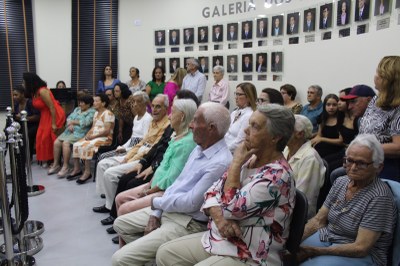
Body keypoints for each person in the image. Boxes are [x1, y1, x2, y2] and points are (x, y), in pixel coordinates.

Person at [156, 104, 296, 266]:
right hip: (222, 239)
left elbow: (232, 209)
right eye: (249, 124)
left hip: (251, 254)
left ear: (275, 137)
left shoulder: (277, 176)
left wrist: (235, 163)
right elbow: (210, 192)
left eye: (255, 126)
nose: (246, 130)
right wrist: (219, 217)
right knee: (165, 254)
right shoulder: (250, 160)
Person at [111, 102, 232, 266]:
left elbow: (191, 203)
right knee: (120, 224)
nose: (191, 125)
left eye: (196, 121)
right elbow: (176, 185)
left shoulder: (220, 163)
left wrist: (156, 202)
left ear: (211, 128)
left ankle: (153, 253)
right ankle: (152, 256)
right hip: (170, 209)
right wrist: (156, 213)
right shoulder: (199, 148)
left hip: (187, 222)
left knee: (119, 259)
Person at [298, 134, 396, 266]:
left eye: (361, 163)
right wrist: (293, 241)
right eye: (349, 160)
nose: (353, 167)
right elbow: (318, 220)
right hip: (328, 237)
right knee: (286, 253)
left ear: (379, 167)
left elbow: (361, 248)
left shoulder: (380, 197)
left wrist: (314, 251)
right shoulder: (340, 182)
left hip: (361, 254)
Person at [114, 99, 197, 237]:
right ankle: (128, 234)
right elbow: (163, 166)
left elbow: (171, 178)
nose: (169, 116)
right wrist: (150, 182)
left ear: (182, 116)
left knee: (124, 208)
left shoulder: (186, 143)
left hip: (164, 190)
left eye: (172, 112)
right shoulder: (176, 136)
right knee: (120, 198)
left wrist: (148, 191)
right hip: (156, 183)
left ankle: (132, 242)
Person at [93, 94, 170, 213]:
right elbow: (141, 143)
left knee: (110, 173)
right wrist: (128, 156)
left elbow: (153, 149)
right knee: (103, 163)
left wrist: (134, 158)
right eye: (153, 106)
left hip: (143, 159)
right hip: (135, 153)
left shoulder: (165, 125)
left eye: (158, 107)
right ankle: (110, 203)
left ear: (166, 108)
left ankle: (113, 207)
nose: (154, 109)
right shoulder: (153, 122)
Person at [358, 56, 400, 181]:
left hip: (386, 165)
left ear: (389, 79)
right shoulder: (376, 99)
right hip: (365, 159)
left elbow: (398, 147)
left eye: (379, 73)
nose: (375, 76)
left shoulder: (397, 108)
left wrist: (363, 149)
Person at [284, 115, 325, 218]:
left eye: (287, 129)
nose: (281, 132)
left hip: (295, 216)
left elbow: (302, 197)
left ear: (300, 134)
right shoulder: (286, 150)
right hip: (282, 205)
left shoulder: (310, 159)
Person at [23, 72, 66, 167]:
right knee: (41, 137)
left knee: (50, 136)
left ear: (30, 82)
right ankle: (50, 159)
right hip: (45, 114)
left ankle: (56, 162)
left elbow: (52, 107)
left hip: (54, 114)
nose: (23, 84)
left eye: (24, 82)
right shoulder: (34, 92)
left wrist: (54, 124)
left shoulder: (42, 91)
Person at [70, 93, 115, 184]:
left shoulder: (108, 113)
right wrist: (87, 135)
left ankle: (87, 172)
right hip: (95, 137)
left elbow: (106, 131)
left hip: (105, 139)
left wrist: (93, 137)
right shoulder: (96, 113)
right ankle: (77, 169)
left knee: (87, 146)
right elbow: (93, 127)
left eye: (96, 101)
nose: (93, 103)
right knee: (76, 144)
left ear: (103, 103)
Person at [47, 94, 95, 177]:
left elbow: (87, 122)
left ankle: (66, 166)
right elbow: (69, 118)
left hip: (81, 133)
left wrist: (74, 122)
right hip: (69, 131)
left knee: (66, 143)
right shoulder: (77, 109)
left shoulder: (92, 111)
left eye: (82, 103)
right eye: (79, 102)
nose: (80, 104)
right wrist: (70, 124)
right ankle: (56, 164)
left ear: (88, 104)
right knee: (57, 142)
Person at [311, 94, 344, 167]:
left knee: (321, 162)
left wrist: (322, 139)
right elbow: (319, 135)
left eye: (334, 105)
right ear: (324, 106)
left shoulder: (341, 119)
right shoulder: (322, 117)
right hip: (324, 146)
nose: (331, 107)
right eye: (328, 105)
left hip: (336, 149)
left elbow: (340, 141)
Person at [225, 82, 257, 153]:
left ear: (249, 97)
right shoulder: (234, 112)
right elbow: (226, 133)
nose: (236, 97)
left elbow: (239, 143)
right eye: (236, 94)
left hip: (234, 153)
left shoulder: (249, 115)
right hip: (225, 148)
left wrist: (223, 150)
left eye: (239, 95)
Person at [12, 85, 40, 160]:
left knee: (27, 134)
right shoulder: (17, 104)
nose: (14, 97)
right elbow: (15, 116)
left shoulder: (30, 102)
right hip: (22, 125)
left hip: (32, 125)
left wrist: (24, 118)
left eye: (16, 95)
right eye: (13, 95)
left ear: (22, 94)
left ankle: (28, 156)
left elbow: (37, 116)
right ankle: (18, 155)